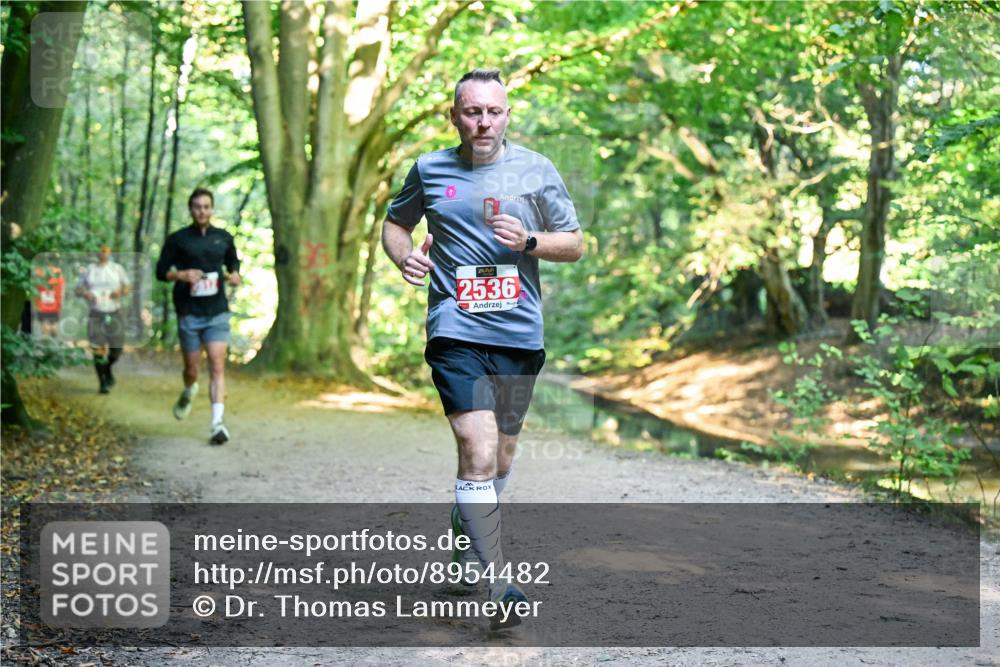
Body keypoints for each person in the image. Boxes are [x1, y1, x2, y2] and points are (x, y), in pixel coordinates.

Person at [381, 68, 584, 629]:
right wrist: (405, 258)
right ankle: (498, 586)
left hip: (518, 333)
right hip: (455, 327)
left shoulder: (536, 170)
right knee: (476, 444)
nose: (483, 121)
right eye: (472, 111)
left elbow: (575, 244)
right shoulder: (429, 168)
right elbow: (395, 225)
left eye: (493, 111)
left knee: (499, 458)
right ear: (455, 116)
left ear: (508, 114)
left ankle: (464, 522)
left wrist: (532, 241)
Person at [155, 187, 241, 445]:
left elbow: (233, 263)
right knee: (192, 369)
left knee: (216, 364)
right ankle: (189, 387)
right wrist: (180, 275)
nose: (202, 211)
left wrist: (234, 274)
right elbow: (161, 271)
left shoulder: (223, 237)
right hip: (189, 312)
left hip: (216, 312)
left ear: (212, 209)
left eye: (206, 206)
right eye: (197, 207)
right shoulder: (178, 239)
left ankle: (217, 424)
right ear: (190, 209)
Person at [75, 245, 130, 394]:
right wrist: (86, 293)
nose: (102, 253)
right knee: (97, 348)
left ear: (109, 251)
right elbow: (78, 289)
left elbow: (127, 287)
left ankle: (107, 368)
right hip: (96, 313)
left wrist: (120, 292)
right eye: (99, 250)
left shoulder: (117, 269)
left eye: (105, 250)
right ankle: (102, 382)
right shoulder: (89, 270)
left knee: (116, 349)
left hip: (114, 312)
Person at [33, 263, 65, 337]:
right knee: (54, 324)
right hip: (55, 305)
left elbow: (34, 289)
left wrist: (35, 303)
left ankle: (46, 342)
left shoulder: (38, 271)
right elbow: (62, 289)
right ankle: (54, 342)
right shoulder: (58, 272)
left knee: (45, 325)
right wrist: (61, 303)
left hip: (42, 305)